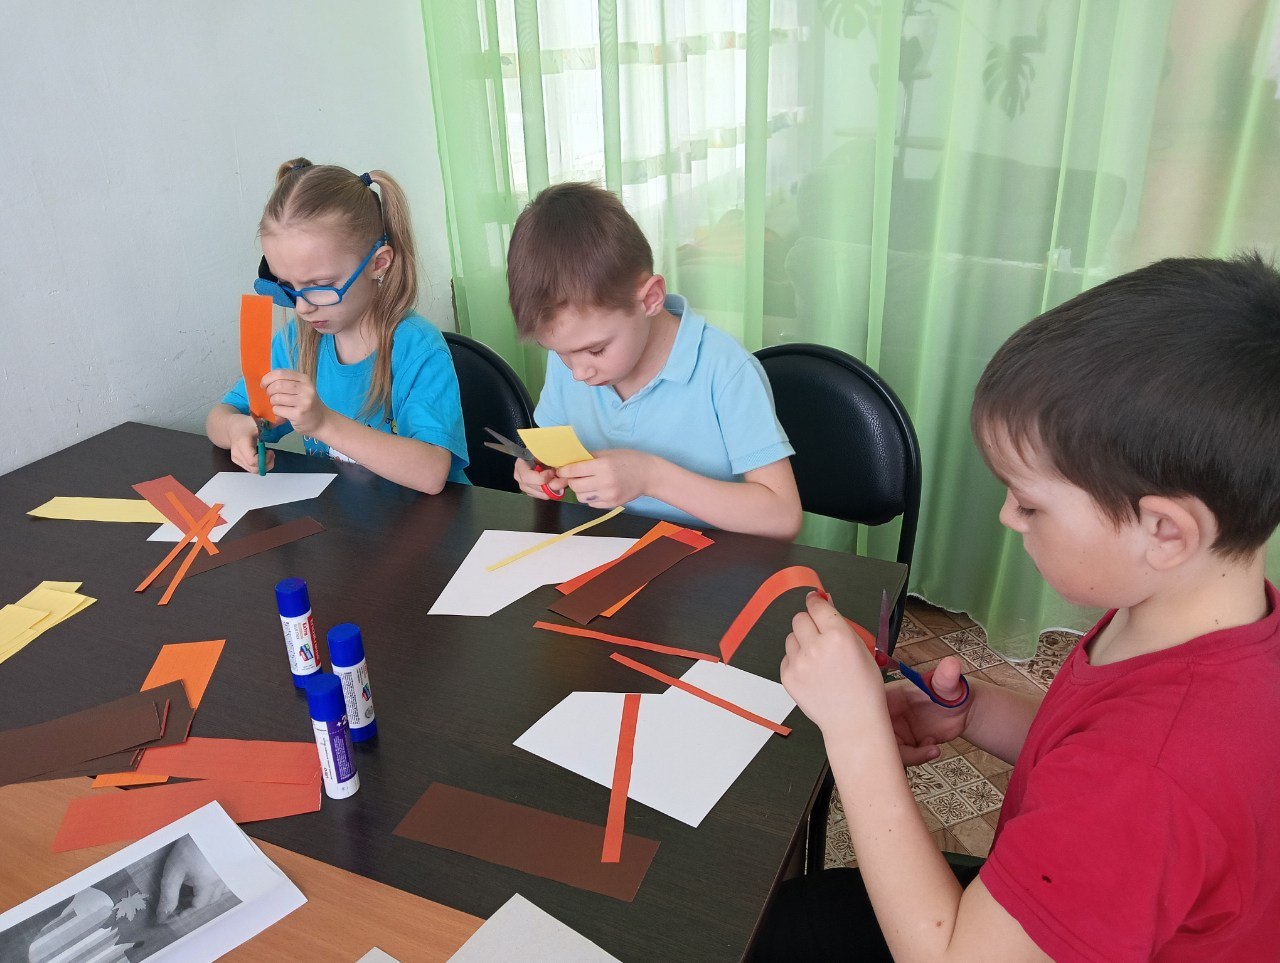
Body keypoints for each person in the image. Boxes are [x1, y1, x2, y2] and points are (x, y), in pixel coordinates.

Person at [763, 253, 1280, 961]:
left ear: (1164, 530)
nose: (1009, 516)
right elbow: (1088, 740)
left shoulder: (1149, 776)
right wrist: (975, 712)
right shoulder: (1193, 615)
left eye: (1031, 503)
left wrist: (855, 732)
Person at [506, 182, 802, 539]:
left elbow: (782, 517)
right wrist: (536, 470)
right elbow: (549, 449)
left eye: (596, 350)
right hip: (610, 548)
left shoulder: (726, 371)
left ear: (650, 299)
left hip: (715, 559)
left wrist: (650, 476)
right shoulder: (571, 358)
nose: (579, 372)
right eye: (558, 351)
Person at [207, 159, 469, 494]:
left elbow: (431, 474)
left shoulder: (417, 347)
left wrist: (323, 422)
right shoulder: (296, 343)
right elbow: (221, 415)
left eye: (320, 285)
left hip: (430, 518)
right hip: (345, 518)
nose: (302, 307)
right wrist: (236, 429)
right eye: (287, 285)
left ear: (378, 263)